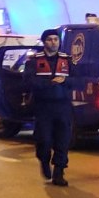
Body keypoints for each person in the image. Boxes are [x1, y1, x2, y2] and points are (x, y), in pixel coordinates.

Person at [27, 29, 74, 186]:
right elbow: (28, 82)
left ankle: (59, 172)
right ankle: (44, 160)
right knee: (44, 140)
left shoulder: (67, 60)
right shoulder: (33, 61)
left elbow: (78, 81)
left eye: (56, 39)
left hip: (63, 106)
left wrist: (65, 82)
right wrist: (50, 83)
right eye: (50, 39)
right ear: (44, 42)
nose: (53, 42)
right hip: (43, 107)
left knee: (63, 140)